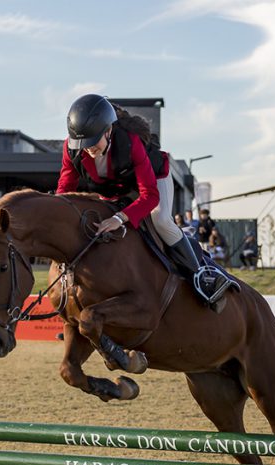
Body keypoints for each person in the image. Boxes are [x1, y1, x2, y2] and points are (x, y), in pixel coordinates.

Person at [57, 94, 232, 308]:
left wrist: (119, 218)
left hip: (154, 181)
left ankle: (201, 276)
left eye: (93, 141)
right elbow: (65, 189)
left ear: (109, 130)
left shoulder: (130, 143)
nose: (88, 148)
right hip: (116, 189)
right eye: (83, 143)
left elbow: (149, 195)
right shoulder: (72, 148)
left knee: (160, 220)